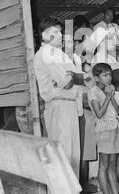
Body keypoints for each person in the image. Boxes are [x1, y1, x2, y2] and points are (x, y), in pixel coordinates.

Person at [33, 19, 84, 179]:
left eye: (60, 31)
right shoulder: (44, 54)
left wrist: (76, 76)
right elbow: (68, 83)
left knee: (73, 155)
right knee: (61, 155)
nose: (60, 35)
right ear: (45, 35)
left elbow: (80, 78)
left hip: (70, 105)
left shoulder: (60, 54)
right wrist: (76, 77)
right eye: (55, 32)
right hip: (58, 106)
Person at [88, 63, 119, 194]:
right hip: (103, 131)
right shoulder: (93, 92)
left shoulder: (107, 90)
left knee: (113, 165)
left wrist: (111, 95)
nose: (108, 78)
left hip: (114, 128)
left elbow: (118, 110)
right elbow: (99, 114)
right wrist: (108, 96)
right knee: (104, 165)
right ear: (97, 78)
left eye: (109, 75)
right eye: (105, 75)